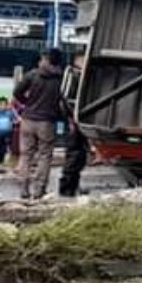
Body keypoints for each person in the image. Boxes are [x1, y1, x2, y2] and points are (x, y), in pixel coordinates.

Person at [14, 49, 65, 200]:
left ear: (46, 60)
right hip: (47, 122)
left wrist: (26, 103)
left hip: (28, 119)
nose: (40, 61)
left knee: (26, 155)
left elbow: (17, 92)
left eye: (43, 58)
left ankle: (23, 188)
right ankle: (39, 190)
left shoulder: (32, 74)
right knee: (45, 155)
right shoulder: (61, 78)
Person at [57, 54, 90, 198]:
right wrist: (71, 118)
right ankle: (66, 187)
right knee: (74, 154)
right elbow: (65, 99)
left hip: (77, 119)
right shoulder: (73, 77)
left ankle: (73, 185)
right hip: (73, 120)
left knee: (80, 155)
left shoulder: (80, 76)